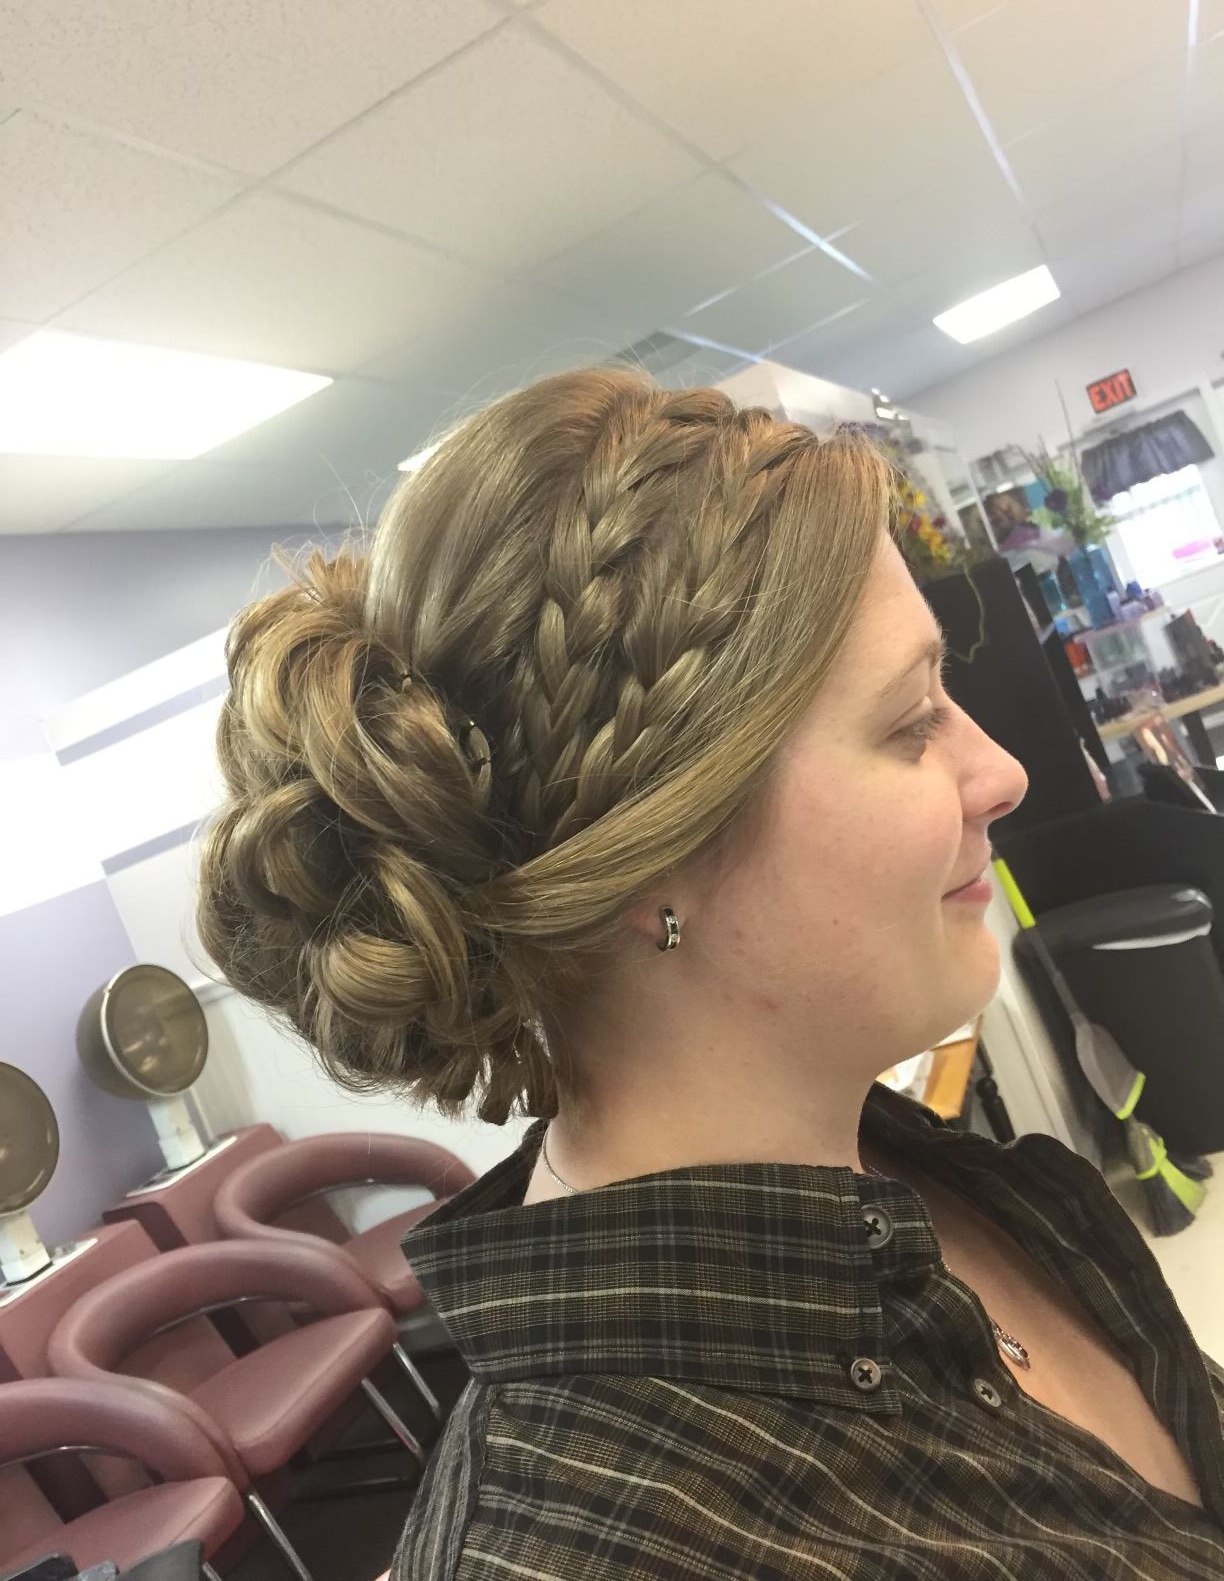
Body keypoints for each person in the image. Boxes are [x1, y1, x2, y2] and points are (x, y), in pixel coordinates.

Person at [195, 369, 1224, 1576]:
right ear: (650, 858)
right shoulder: (596, 1547)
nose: (1002, 773)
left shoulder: (949, 1184)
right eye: (910, 723)